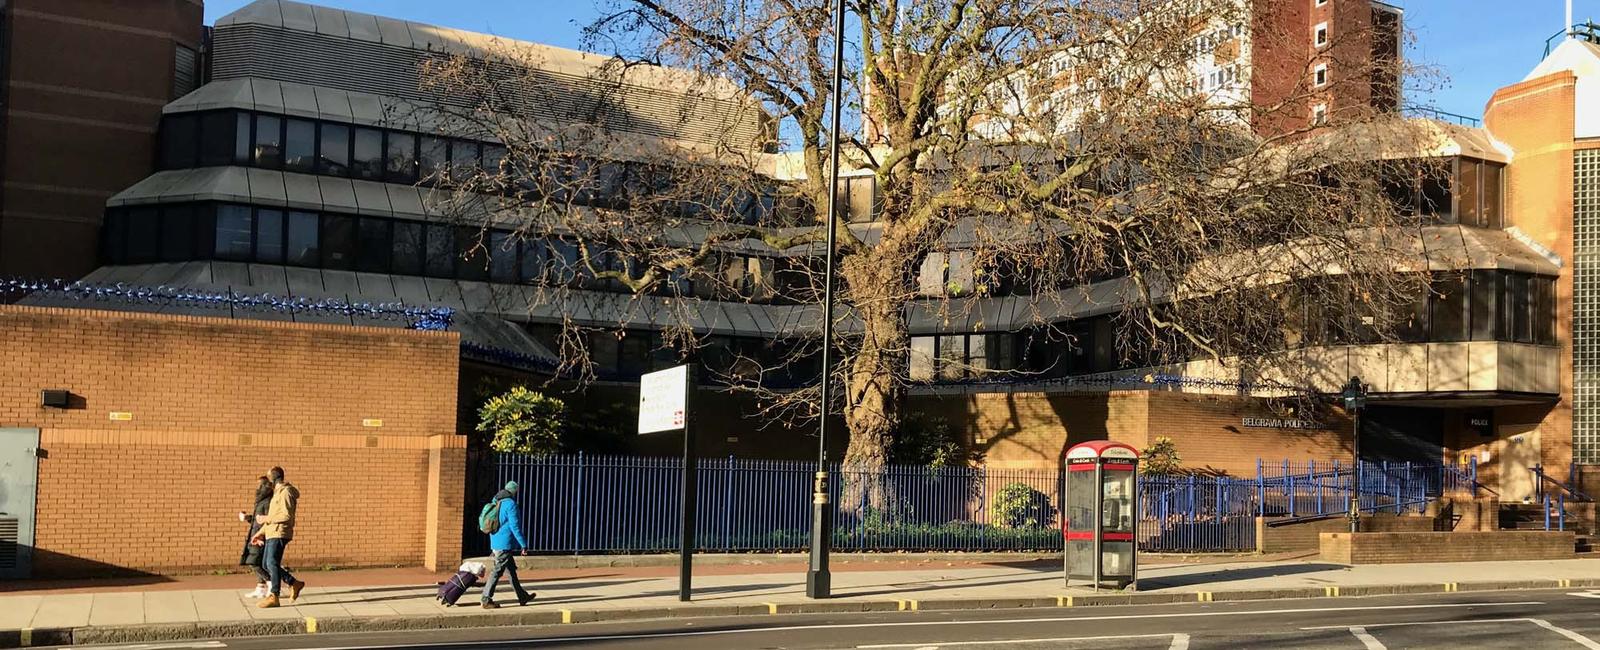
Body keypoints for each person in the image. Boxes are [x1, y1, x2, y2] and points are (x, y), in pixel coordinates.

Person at [252, 466, 306, 608]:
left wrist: (265, 519)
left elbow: (286, 516)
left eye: (269, 478)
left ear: (273, 479)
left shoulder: (286, 492)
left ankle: (274, 596)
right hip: (271, 532)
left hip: (280, 532)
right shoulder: (276, 493)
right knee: (266, 564)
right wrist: (260, 533)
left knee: (271, 562)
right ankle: (294, 583)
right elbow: (272, 518)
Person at [480, 480, 534, 609]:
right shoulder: (510, 504)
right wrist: (523, 544)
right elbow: (515, 526)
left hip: (495, 540)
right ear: (514, 491)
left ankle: (522, 596)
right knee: (497, 571)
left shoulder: (496, 500)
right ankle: (486, 598)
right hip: (505, 543)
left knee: (511, 572)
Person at [238, 476, 274, 598]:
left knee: (253, 562)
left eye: (259, 485)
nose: (256, 488)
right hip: (255, 534)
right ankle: (261, 587)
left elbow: (268, 520)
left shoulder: (268, 501)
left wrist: (262, 536)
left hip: (260, 537)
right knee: (255, 560)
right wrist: (247, 518)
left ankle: (270, 583)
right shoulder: (260, 501)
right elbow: (257, 520)